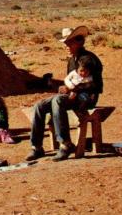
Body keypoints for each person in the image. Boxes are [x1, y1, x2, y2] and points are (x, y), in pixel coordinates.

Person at [26, 26, 103, 162]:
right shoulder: (72, 60)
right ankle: (36, 146)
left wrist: (75, 90)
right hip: (73, 96)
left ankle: (65, 144)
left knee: (58, 101)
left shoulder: (89, 60)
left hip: (87, 98)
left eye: (70, 42)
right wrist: (63, 87)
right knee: (40, 105)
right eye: (65, 43)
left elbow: (96, 85)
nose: (66, 46)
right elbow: (71, 82)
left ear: (80, 42)